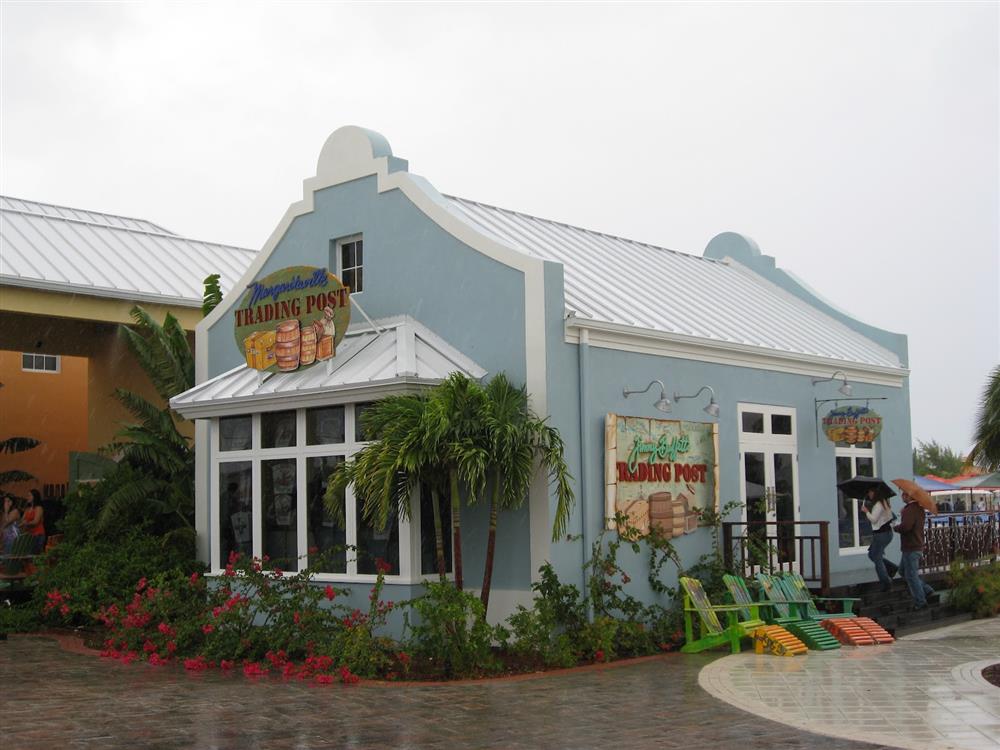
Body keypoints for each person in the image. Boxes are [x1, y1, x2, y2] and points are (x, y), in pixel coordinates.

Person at [894, 489, 933, 610]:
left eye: (904, 494)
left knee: (911, 576)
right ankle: (926, 589)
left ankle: (920, 602)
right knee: (903, 571)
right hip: (914, 546)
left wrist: (895, 527)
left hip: (911, 547)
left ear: (909, 497)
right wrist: (904, 513)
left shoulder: (910, 510)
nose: (902, 496)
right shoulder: (918, 508)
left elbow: (906, 527)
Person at [862, 488, 897, 591]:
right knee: (872, 554)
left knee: (877, 558)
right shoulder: (884, 503)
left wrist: (866, 511)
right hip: (885, 534)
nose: (869, 493)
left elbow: (873, 519)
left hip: (881, 535)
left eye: (870, 491)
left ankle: (886, 582)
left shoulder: (878, 505)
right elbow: (892, 517)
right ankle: (892, 568)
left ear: (876, 493)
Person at [20, 489, 46, 554]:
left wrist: (26, 523)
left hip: (38, 534)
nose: (27, 497)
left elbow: (36, 521)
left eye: (29, 496)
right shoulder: (27, 509)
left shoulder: (38, 508)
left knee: (36, 555)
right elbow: (22, 520)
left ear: (34, 497)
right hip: (29, 535)